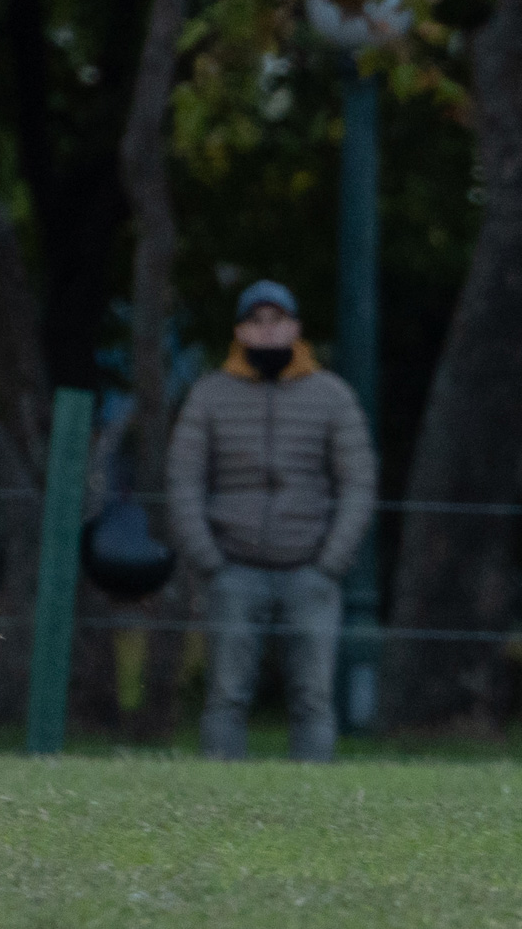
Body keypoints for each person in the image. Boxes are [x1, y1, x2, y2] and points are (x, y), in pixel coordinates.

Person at [167, 280, 376, 762]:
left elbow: (357, 484)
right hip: (233, 568)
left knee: (314, 698)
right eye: (256, 322)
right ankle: (217, 799)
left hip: (310, 569)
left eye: (277, 320)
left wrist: (331, 560)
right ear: (240, 331)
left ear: (295, 327)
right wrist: (209, 559)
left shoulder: (332, 396)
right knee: (226, 695)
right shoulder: (209, 395)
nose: (267, 331)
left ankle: (314, 802)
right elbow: (183, 481)